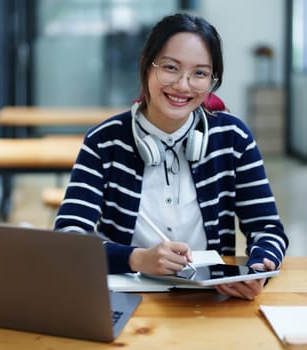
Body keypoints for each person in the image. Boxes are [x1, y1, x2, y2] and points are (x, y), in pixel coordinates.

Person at [54, 13, 288, 300]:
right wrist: (136, 259)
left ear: (212, 80)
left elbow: (268, 229)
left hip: (212, 299)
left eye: (200, 73)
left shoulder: (233, 138)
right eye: (170, 68)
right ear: (145, 67)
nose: (183, 85)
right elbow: (69, 238)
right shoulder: (104, 141)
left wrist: (258, 270)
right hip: (128, 298)